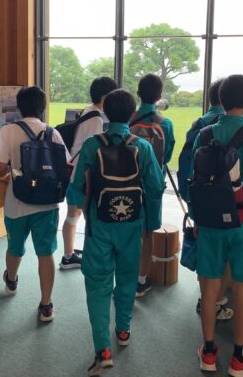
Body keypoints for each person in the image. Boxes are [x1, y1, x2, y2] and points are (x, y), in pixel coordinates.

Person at [67, 89, 164, 376]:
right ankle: (123, 330)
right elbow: (155, 188)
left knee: (98, 284)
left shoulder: (91, 145)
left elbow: (76, 188)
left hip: (99, 225)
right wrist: (151, 224)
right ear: (132, 113)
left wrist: (81, 210)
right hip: (132, 224)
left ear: (106, 113)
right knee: (127, 278)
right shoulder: (142, 147)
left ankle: (103, 351)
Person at [191, 75, 243, 377]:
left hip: (209, 222)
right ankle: (239, 357)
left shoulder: (204, 135)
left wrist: (197, 217)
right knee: (241, 288)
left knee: (210, 287)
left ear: (221, 100)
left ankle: (209, 352)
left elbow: (194, 182)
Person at [0, 86, 69, 322]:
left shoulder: (8, 131)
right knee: (46, 253)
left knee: (14, 247)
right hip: (47, 204)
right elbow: (65, 166)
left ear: (19, 107)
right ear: (43, 108)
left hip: (17, 202)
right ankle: (46, 305)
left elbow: (0, 169)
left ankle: (11, 280)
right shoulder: (53, 133)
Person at [185, 79, 233, 322]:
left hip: (201, 199)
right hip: (230, 204)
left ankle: (205, 296)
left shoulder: (199, 125)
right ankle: (214, 300)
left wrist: (192, 206)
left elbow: (188, 167)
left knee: (206, 252)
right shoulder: (239, 129)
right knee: (226, 258)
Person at [61, 76, 117, 270]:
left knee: (73, 215)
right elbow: (93, 149)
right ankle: (81, 256)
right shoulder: (96, 118)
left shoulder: (88, 110)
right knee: (87, 218)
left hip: (74, 171)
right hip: (82, 175)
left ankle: (68, 255)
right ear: (105, 96)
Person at [131, 74, 174, 297]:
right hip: (151, 186)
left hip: (126, 184)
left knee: (128, 231)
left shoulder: (128, 118)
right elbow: (167, 156)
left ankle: (125, 276)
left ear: (138, 93)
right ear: (159, 96)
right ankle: (141, 280)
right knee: (147, 234)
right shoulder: (165, 123)